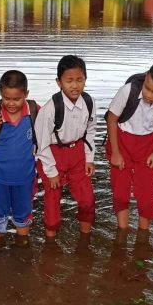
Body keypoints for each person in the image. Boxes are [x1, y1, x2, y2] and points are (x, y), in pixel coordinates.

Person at [106, 61, 153, 230]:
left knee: (147, 193)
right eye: (147, 88)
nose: (149, 95)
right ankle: (122, 230)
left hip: (148, 145)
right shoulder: (128, 91)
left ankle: (143, 232)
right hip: (121, 142)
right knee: (120, 191)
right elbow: (112, 119)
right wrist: (115, 152)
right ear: (146, 76)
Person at [34, 55, 96, 239]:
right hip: (53, 155)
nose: (75, 86)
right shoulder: (50, 109)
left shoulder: (89, 102)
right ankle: (50, 241)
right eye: (69, 81)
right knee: (52, 202)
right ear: (59, 82)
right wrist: (51, 171)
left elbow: (91, 130)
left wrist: (89, 158)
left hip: (78, 153)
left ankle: (85, 237)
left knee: (87, 200)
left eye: (79, 80)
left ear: (85, 79)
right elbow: (42, 143)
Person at [0, 70, 39, 244]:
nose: (11, 103)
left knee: (23, 215)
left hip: (25, 178)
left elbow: (48, 133)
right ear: (0, 92)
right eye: (7, 98)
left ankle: (22, 249)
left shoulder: (34, 111)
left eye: (17, 99)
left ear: (26, 94)